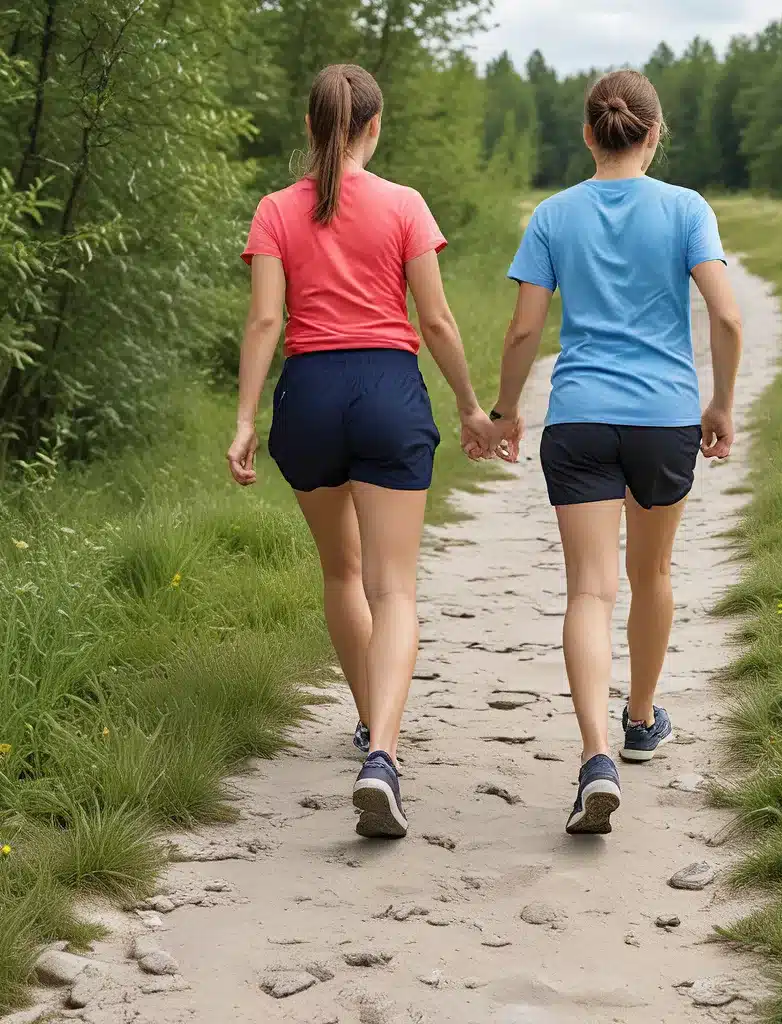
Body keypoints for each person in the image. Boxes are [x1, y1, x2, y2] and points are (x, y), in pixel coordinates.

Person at [227, 64, 501, 839]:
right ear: (373, 128)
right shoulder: (405, 205)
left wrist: (246, 419)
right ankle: (382, 751)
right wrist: (472, 409)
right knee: (395, 589)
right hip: (387, 391)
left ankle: (364, 720)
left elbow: (263, 325)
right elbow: (438, 321)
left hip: (308, 398)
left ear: (312, 128)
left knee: (341, 571)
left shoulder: (276, 210)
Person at [489, 69, 744, 835]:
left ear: (588, 133)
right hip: (665, 421)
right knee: (652, 573)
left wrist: (505, 411)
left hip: (579, 420)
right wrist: (721, 403)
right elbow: (726, 319)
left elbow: (525, 333)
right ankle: (639, 720)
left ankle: (595, 757)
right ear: (655, 133)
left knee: (589, 593)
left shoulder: (553, 214)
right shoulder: (686, 209)